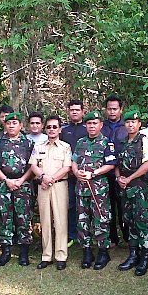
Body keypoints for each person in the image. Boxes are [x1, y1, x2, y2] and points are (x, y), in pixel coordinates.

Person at [72, 111, 118, 269]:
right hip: (81, 188)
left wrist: (93, 173)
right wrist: (76, 172)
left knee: (101, 220)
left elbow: (110, 164)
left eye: (95, 123)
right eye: (89, 123)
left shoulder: (107, 143)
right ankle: (86, 251)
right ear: (86, 125)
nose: (92, 126)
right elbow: (74, 161)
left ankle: (103, 252)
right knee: (82, 220)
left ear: (101, 125)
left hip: (98, 189)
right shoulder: (80, 142)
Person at [0, 112, 35, 266]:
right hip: (3, 185)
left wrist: (21, 180)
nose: (11, 126)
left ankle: (23, 253)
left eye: (15, 123)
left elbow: (33, 165)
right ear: (5, 125)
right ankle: (6, 252)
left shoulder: (28, 143)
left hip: (24, 184)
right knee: (3, 217)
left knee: (23, 218)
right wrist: (6, 180)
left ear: (21, 125)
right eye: (8, 123)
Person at [115, 110, 148, 276]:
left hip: (140, 189)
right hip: (125, 189)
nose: (131, 124)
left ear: (139, 124)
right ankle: (133, 255)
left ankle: (144, 257)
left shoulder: (144, 141)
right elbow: (116, 164)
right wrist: (119, 178)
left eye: (134, 122)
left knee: (141, 223)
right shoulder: (122, 142)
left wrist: (129, 178)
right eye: (128, 122)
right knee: (129, 221)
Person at [29, 115, 72, 270]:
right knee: (45, 221)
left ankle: (61, 255)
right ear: (45, 129)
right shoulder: (39, 146)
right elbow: (33, 165)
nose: (52, 130)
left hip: (59, 185)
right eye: (49, 127)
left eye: (55, 127)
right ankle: (46, 256)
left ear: (60, 129)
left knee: (61, 221)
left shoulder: (66, 147)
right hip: (43, 186)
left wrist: (51, 178)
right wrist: (43, 177)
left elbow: (67, 167)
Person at [101, 94, 129, 247]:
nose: (112, 112)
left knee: (123, 206)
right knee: (108, 206)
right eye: (109, 109)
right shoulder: (101, 126)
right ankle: (112, 237)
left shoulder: (127, 126)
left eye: (115, 109)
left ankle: (127, 236)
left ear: (121, 109)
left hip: (123, 173)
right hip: (105, 174)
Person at [60, 99, 87, 248]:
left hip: (86, 175)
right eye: (72, 110)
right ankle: (71, 235)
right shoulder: (64, 130)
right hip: (68, 174)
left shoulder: (87, 128)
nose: (74, 112)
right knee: (70, 205)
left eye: (77, 109)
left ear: (83, 111)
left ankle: (87, 234)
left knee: (86, 205)